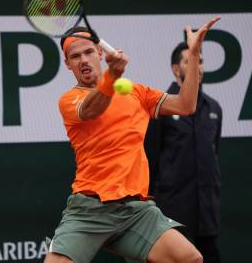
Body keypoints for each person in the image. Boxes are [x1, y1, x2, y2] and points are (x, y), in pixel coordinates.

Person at [44, 16, 220, 263]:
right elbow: (93, 109)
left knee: (189, 258)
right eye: (75, 57)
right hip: (89, 209)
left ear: (99, 53)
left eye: (88, 52)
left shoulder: (137, 93)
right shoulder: (70, 100)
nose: (83, 60)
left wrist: (192, 55)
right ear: (68, 64)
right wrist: (113, 75)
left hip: (136, 210)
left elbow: (186, 104)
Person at [149, 41, 222, 263]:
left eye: (199, 61)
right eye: (189, 61)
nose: (196, 66)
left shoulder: (214, 108)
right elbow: (150, 158)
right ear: (176, 69)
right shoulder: (161, 106)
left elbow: (213, 154)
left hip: (206, 215)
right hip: (171, 215)